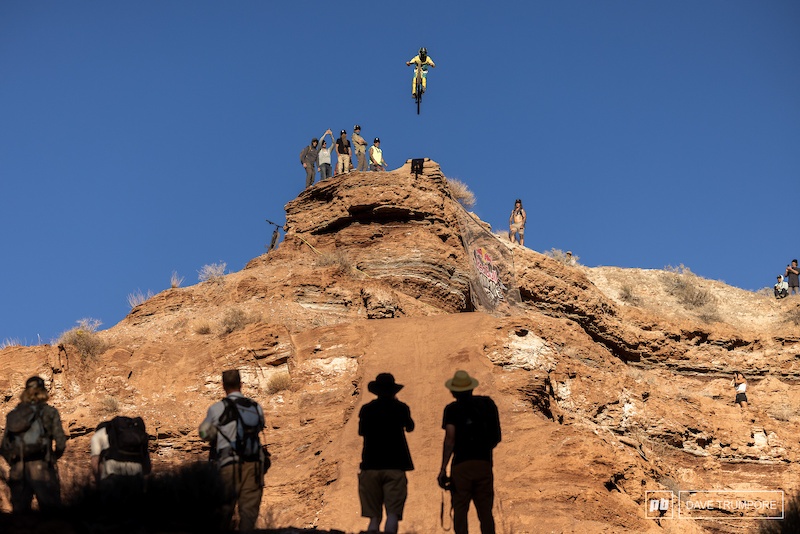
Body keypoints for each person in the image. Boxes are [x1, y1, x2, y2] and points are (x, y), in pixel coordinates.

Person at [199, 370, 267, 533]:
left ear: (223, 386)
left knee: (223, 510)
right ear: (241, 384)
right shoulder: (255, 406)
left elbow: (203, 433)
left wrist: (215, 434)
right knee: (248, 513)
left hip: (228, 464)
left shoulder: (217, 409)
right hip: (253, 464)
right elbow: (260, 426)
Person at [438, 370, 501, 534]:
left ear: (453, 391)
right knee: (485, 512)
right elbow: (496, 436)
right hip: (483, 463)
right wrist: (482, 450)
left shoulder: (451, 410)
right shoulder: (487, 405)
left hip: (461, 466)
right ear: (471, 388)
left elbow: (450, 440)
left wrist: (443, 468)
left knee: (460, 510)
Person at [0, 376, 67, 513]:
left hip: (18, 469)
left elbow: (4, 446)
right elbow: (60, 442)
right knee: (51, 514)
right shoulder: (49, 412)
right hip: (42, 466)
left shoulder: (14, 414)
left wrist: (13, 462)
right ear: (42, 391)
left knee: (20, 516)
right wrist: (53, 458)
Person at [357, 373, 415, 534]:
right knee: (392, 514)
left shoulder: (367, 409)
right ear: (393, 390)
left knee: (374, 517)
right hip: (395, 465)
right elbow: (410, 427)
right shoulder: (401, 408)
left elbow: (361, 432)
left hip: (370, 465)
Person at [90, 415, 151, 489]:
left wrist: (98, 481)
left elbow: (95, 461)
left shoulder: (97, 435)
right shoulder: (135, 434)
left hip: (111, 476)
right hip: (136, 476)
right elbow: (146, 462)